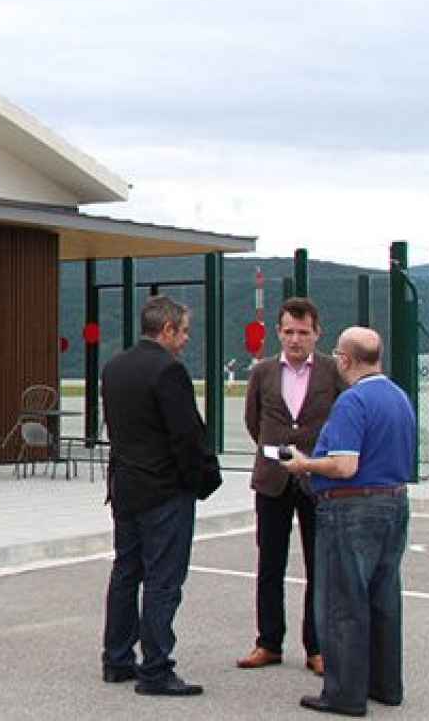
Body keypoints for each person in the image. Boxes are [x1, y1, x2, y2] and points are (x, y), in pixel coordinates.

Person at [285, 327, 416, 717]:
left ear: (345, 359)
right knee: (384, 598)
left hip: (351, 508)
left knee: (343, 601)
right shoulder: (399, 398)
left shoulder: (352, 401)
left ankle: (343, 693)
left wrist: (304, 464)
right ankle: (385, 685)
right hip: (393, 503)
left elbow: (344, 464)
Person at [100, 296, 222, 697]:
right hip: (163, 492)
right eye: (183, 330)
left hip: (126, 488)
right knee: (163, 580)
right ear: (167, 329)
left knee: (125, 573)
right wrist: (200, 481)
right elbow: (187, 435)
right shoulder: (169, 371)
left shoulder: (115, 367)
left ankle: (117, 658)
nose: (186, 339)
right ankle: (156, 668)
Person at [238, 297, 342, 677]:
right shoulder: (263, 372)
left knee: (320, 567)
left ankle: (316, 646)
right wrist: (275, 454)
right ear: (278, 332)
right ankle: (268, 642)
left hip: (318, 480)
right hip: (273, 480)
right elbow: (254, 422)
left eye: (303, 332)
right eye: (288, 332)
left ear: (317, 333)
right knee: (270, 564)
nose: (295, 339)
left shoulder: (332, 373)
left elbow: (343, 420)